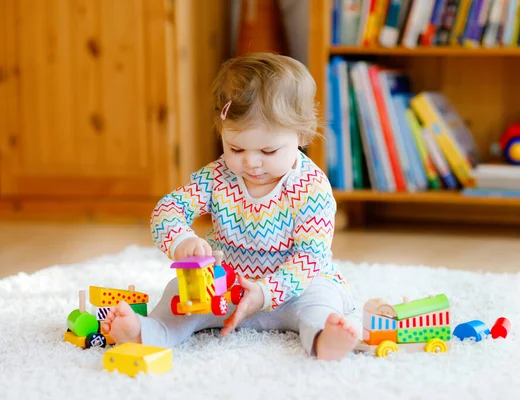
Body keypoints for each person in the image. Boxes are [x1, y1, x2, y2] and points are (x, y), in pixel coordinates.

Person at [102, 52, 358, 361]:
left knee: (322, 301)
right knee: (177, 294)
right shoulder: (218, 176)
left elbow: (310, 258)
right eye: (236, 147)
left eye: (268, 150)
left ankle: (324, 339)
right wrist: (182, 241)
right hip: (224, 288)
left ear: (301, 135)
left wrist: (264, 292)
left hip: (293, 291)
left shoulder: (311, 187)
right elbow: (168, 209)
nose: (250, 161)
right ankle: (148, 332)